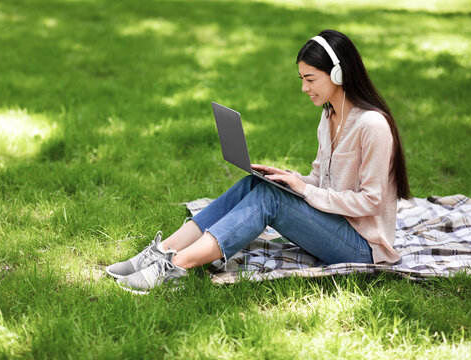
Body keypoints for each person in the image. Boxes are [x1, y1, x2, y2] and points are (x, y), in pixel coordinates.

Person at [106, 29, 410, 295]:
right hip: (334, 225)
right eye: (302, 79)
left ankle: (175, 268)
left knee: (271, 199)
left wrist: (303, 192)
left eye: (310, 79)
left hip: (362, 247)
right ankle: (160, 251)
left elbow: (371, 201)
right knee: (257, 183)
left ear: (339, 74)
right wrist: (291, 179)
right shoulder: (329, 115)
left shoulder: (372, 125)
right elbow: (321, 179)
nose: (305, 88)